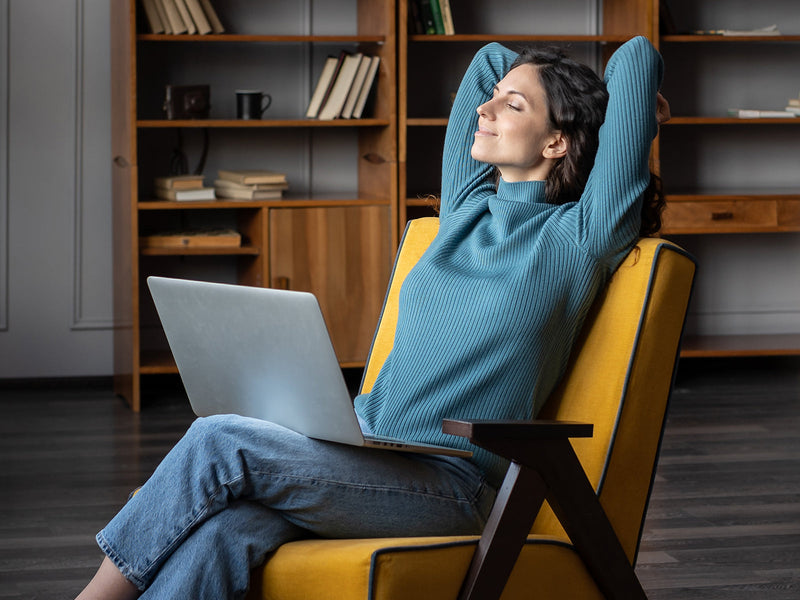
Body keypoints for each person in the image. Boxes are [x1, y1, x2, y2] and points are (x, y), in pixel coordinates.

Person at [77, 35, 668, 599]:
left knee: (218, 439)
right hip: (365, 452)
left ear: (557, 142)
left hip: (449, 484)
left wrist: (621, 113)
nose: (485, 109)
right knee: (227, 531)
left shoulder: (580, 237)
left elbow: (638, 56)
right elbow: (488, 61)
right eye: (494, 100)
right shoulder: (465, 208)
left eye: (512, 106)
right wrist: (531, 89)